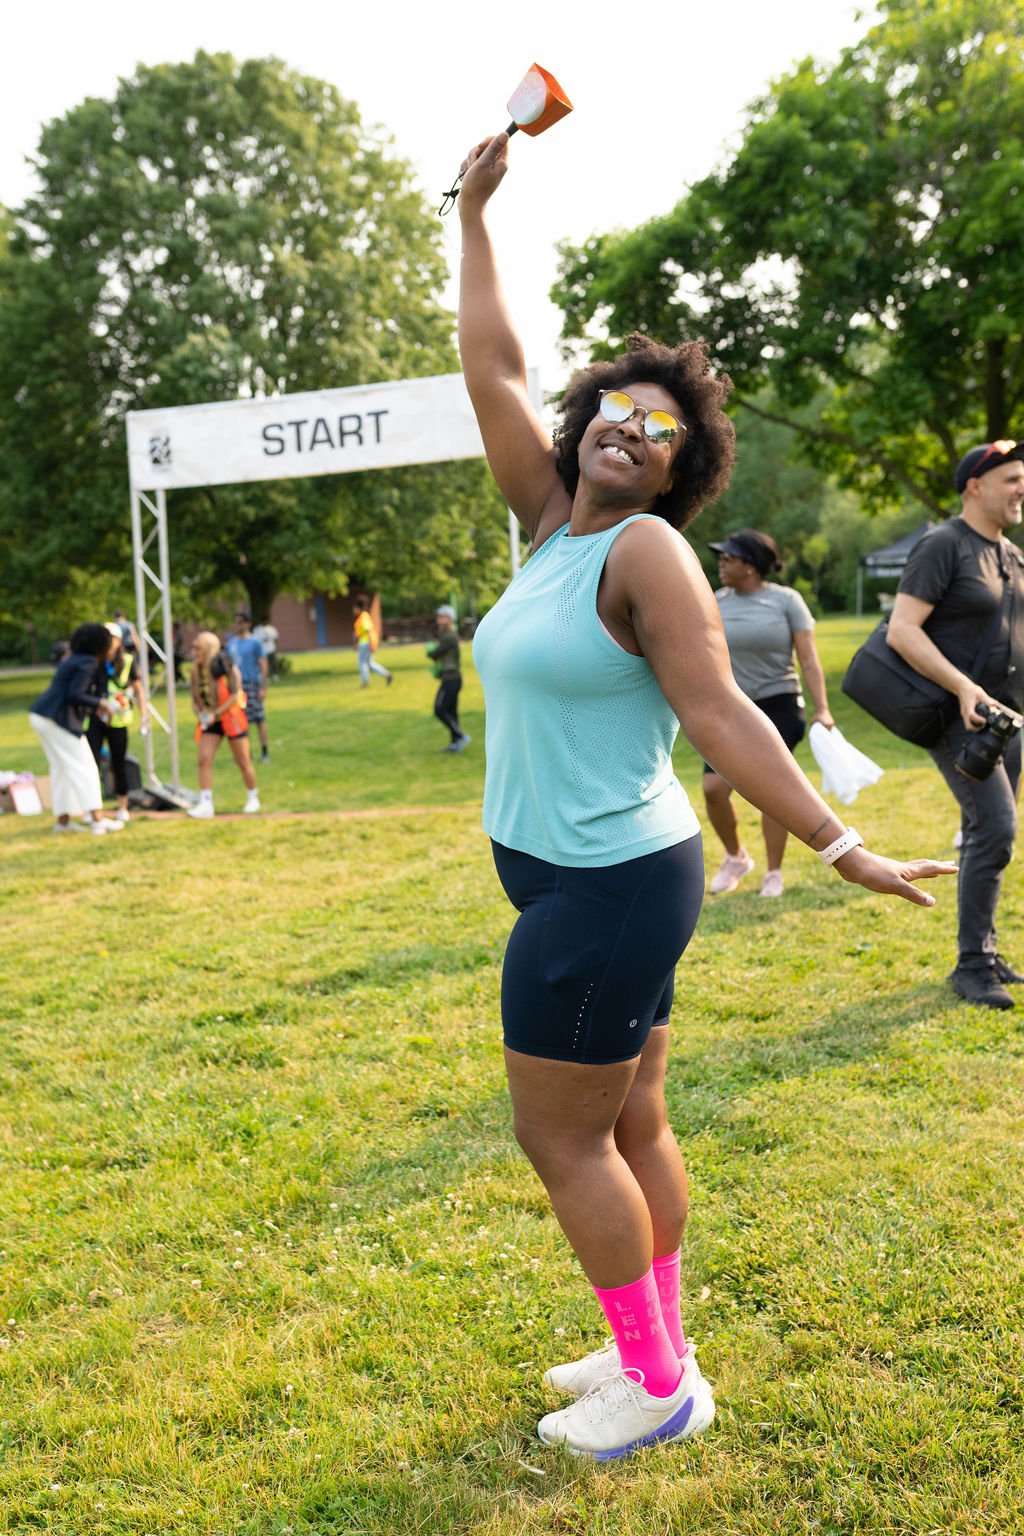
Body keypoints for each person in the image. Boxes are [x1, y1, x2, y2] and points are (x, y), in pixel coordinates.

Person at [458, 130, 955, 1461]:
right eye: (616, 409)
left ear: (681, 471)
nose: (631, 426)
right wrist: (472, 217)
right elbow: (496, 364)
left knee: (561, 1142)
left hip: (613, 884)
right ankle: (652, 1347)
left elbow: (721, 710)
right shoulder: (551, 517)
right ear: (588, 428)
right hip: (582, 869)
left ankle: (659, 1388)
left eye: (659, 428)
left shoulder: (649, 553)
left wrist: (836, 840)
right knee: (629, 1121)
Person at [887, 440, 1024, 1010]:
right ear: (975, 486)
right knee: (994, 831)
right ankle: (971, 967)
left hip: (1006, 721)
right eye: (1012, 479)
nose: (1021, 489)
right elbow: (903, 629)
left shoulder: (1011, 554)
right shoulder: (943, 545)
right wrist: (964, 686)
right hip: (960, 717)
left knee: (986, 837)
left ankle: (985, 953)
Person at [702, 530, 835, 898]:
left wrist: (822, 707)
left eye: (729, 558)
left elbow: (808, 659)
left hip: (779, 701)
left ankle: (773, 872)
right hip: (732, 707)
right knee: (713, 788)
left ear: (751, 565)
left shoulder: (786, 600)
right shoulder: (715, 600)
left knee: (771, 791)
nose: (722, 564)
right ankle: (735, 857)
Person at [28, 623, 125, 836]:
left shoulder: (75, 659)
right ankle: (98, 822)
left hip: (42, 715)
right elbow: (75, 694)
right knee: (86, 767)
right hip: (56, 719)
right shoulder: (88, 662)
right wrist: (101, 704)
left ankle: (62, 822)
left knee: (61, 769)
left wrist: (96, 706)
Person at [187, 631, 260, 819]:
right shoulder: (196, 670)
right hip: (210, 720)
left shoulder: (224, 665)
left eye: (198, 647)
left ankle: (252, 796)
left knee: (243, 760)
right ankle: (206, 802)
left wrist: (217, 713)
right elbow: (195, 697)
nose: (195, 651)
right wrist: (200, 713)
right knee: (204, 759)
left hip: (230, 717)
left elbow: (236, 693)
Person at [86, 622, 149, 823]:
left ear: (118, 640)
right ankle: (93, 808)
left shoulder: (128, 661)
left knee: (118, 762)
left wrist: (144, 716)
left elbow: (138, 689)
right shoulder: (95, 661)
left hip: (119, 719)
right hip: (97, 718)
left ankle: (122, 805)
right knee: (91, 761)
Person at [227, 611, 270, 763]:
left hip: (251, 684)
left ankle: (265, 753)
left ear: (247, 624)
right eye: (235, 622)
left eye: (240, 622)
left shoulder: (255, 642)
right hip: (236, 687)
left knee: (259, 719)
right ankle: (245, 753)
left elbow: (263, 665)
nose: (237, 625)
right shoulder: (231, 643)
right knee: (240, 720)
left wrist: (263, 687)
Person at [427, 604, 470, 752]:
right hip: (451, 678)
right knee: (451, 712)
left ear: (450, 619)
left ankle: (460, 735)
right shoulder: (446, 634)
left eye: (442, 616)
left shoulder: (450, 636)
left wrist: (431, 651)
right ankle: (455, 744)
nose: (438, 619)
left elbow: (434, 654)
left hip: (451, 679)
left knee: (439, 709)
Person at [352, 596, 393, 688]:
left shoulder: (364, 617)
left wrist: (371, 644)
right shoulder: (362, 617)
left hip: (366, 643)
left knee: (362, 662)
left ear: (358, 608)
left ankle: (365, 682)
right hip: (365, 643)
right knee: (369, 663)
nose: (353, 610)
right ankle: (387, 675)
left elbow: (368, 630)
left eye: (354, 608)